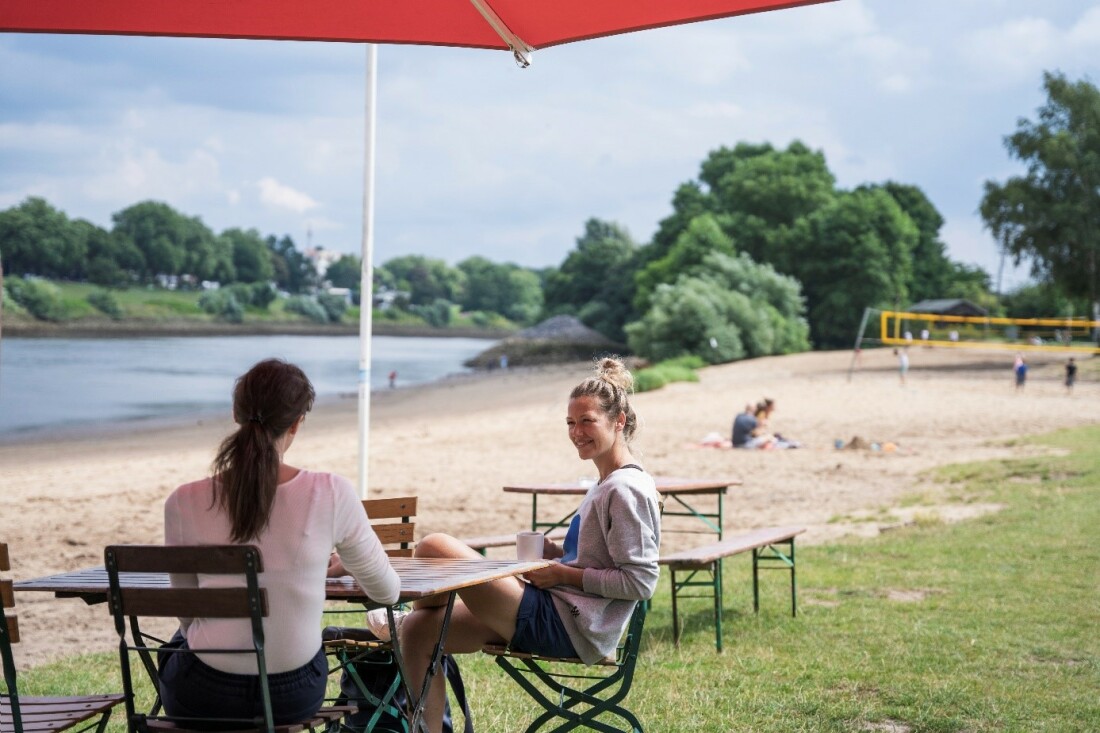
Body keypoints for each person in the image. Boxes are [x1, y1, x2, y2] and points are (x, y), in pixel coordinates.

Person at [390, 357, 661, 732]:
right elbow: (597, 559)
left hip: (572, 626)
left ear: (618, 422)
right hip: (561, 611)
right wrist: (558, 554)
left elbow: (641, 582)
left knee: (435, 547)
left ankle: (413, 608)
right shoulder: (606, 482)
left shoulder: (625, 488)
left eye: (587, 421)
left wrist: (564, 572)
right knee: (418, 631)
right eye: (570, 422)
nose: (577, 432)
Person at [160, 359, 400, 725]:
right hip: (293, 693)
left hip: (204, 693)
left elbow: (189, 613)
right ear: (297, 423)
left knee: (176, 644)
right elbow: (387, 592)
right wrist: (347, 561)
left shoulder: (182, 501)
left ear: (236, 414)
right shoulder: (332, 492)